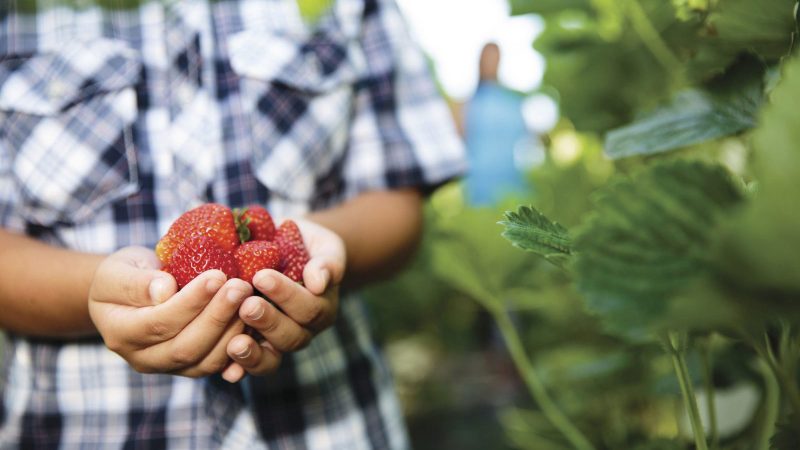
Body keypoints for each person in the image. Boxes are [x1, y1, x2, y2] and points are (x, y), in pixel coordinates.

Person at [0, 0, 465, 448]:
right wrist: (102, 292)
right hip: (75, 428)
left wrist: (320, 256)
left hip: (331, 422)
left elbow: (396, 203)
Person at [462, 42, 531, 206]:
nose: (491, 63)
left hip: (512, 179)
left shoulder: (513, 102)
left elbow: (529, 140)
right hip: (478, 184)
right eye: (487, 58)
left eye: (495, 58)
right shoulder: (466, 104)